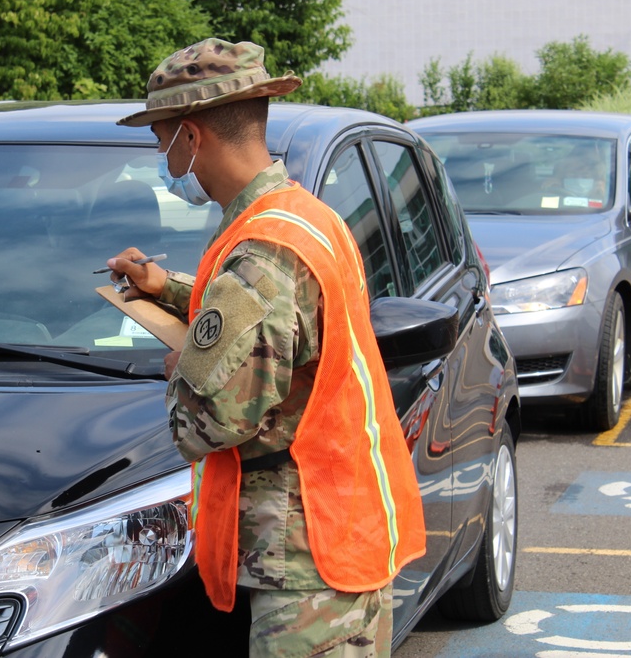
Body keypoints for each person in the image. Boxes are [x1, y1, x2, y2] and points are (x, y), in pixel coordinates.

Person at [107, 38, 426, 657]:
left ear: (191, 138)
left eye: (162, 142)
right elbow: (271, 318)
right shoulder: (304, 216)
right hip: (335, 528)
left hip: (307, 557)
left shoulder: (260, 254)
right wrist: (165, 289)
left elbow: (208, 424)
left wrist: (181, 371)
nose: (166, 163)